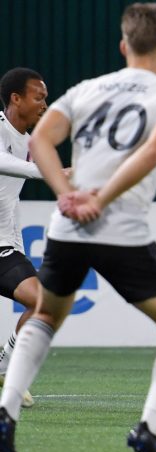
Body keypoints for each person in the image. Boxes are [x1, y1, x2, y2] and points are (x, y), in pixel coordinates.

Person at [0, 2, 156, 452]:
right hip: (120, 229)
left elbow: (42, 140)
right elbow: (152, 151)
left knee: (46, 314)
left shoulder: (87, 90)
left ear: (123, 45)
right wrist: (100, 197)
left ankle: (5, 417)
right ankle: (149, 428)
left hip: (66, 227)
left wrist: (67, 194)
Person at [0, 67, 56, 409]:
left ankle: (5, 366)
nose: (45, 105)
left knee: (42, 303)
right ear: (15, 99)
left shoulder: (33, 143)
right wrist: (49, 172)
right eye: (39, 97)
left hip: (4, 247)